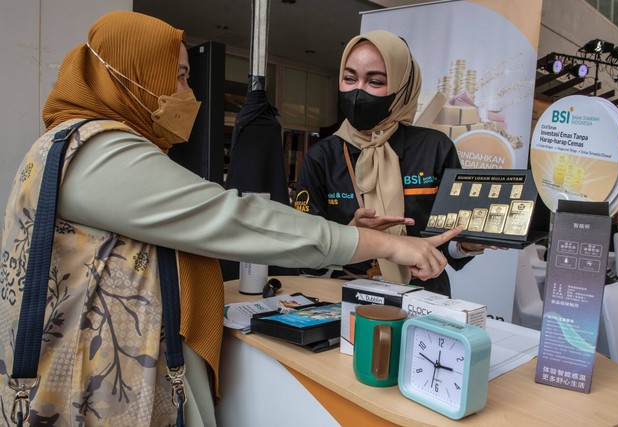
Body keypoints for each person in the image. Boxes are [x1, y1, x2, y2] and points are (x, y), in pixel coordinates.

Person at [0, 12, 462, 426]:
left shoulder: (77, 144)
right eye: (179, 76)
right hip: (91, 391)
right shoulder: (95, 151)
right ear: (134, 76)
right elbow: (231, 218)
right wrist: (384, 244)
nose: (189, 93)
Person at [296, 30, 490, 296]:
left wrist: (467, 244)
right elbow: (305, 258)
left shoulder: (434, 148)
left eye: (374, 81)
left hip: (424, 298)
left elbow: (449, 241)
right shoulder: (321, 157)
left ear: (402, 88)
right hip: (343, 299)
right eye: (349, 78)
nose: (357, 91)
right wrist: (349, 237)